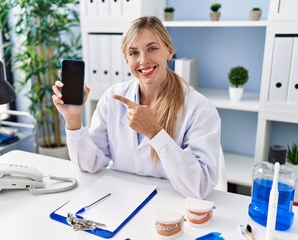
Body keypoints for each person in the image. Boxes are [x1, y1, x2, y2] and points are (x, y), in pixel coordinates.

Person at [52, 16, 221, 199]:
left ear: (169, 51)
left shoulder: (200, 109)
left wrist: (155, 133)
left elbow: (199, 187)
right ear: (126, 59)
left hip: (169, 208)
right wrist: (73, 120)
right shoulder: (113, 98)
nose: (143, 60)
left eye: (152, 49)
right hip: (120, 201)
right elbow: (89, 164)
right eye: (133, 53)